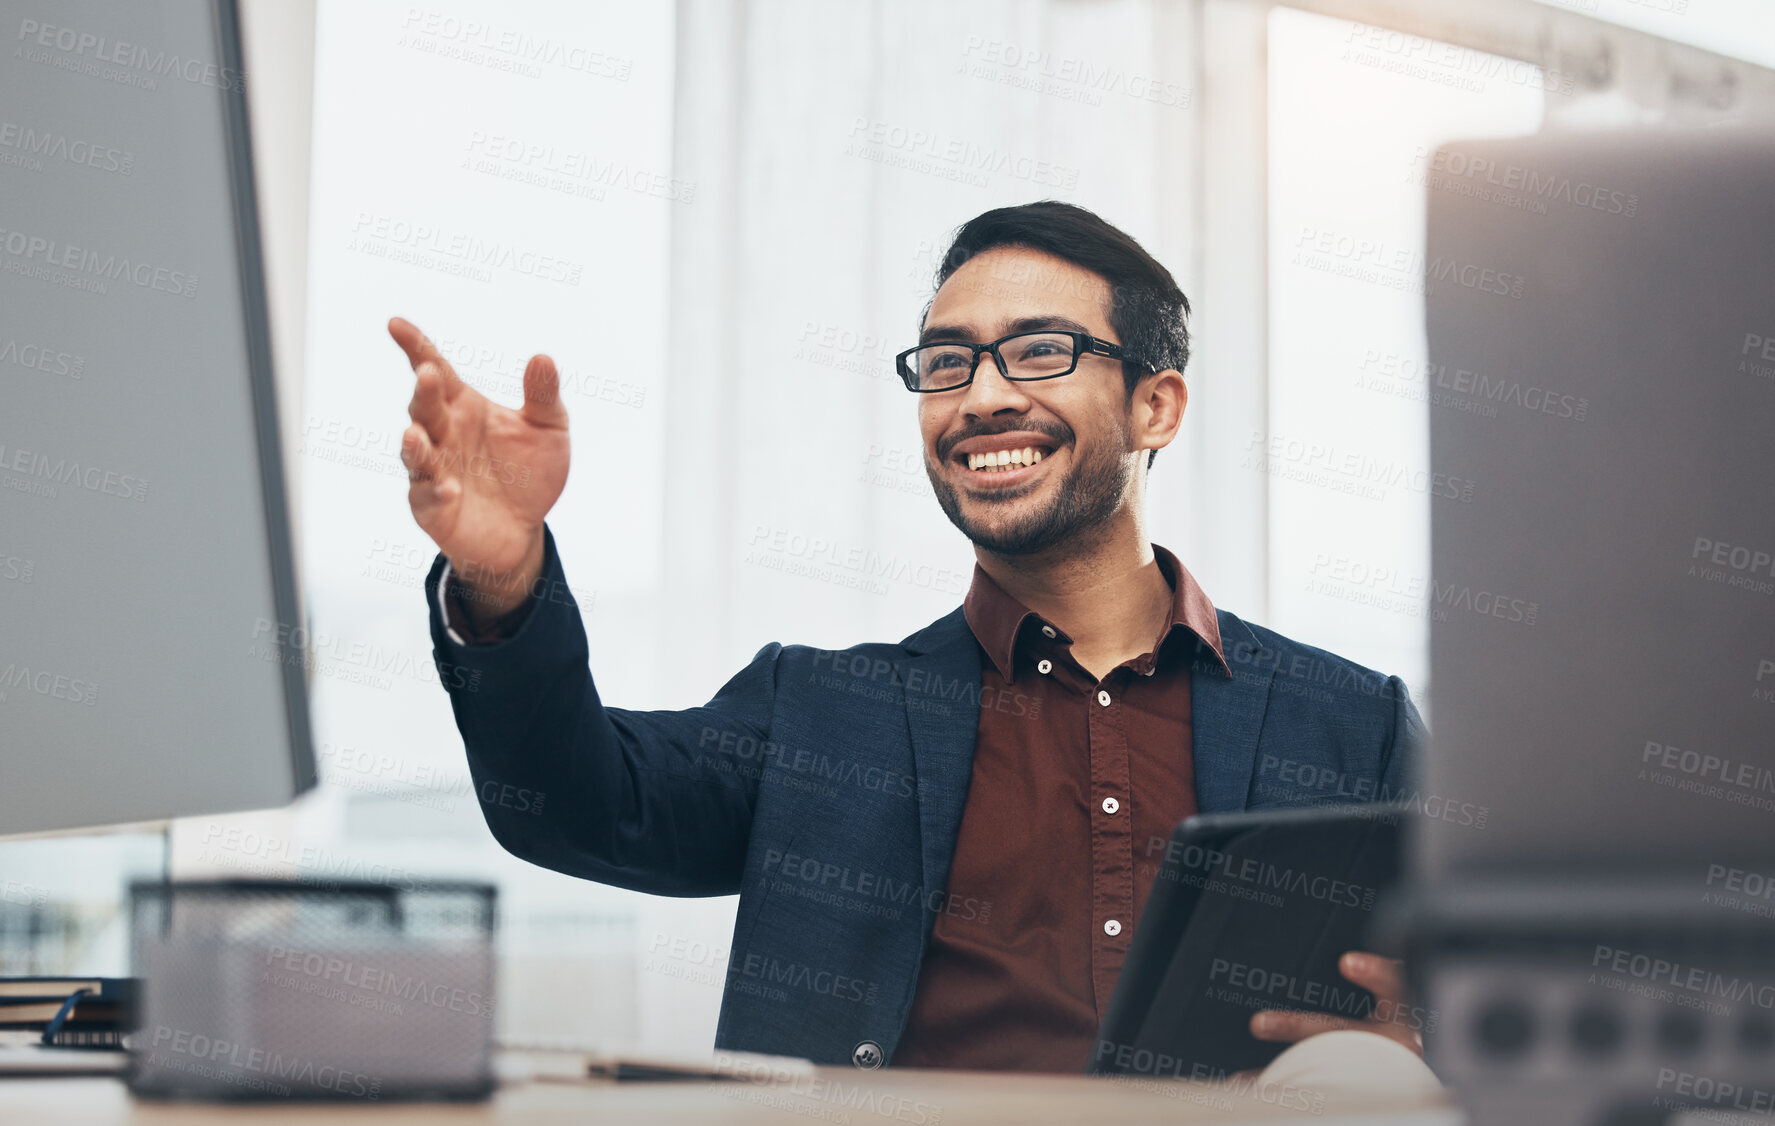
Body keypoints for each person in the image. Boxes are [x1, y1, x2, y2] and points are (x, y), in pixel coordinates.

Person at [390, 200, 1427, 1072]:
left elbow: (1503, 993)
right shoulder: (816, 713)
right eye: (944, 364)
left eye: (1036, 352)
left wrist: (1428, 1047)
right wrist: (503, 573)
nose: (979, 398)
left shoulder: (1350, 725)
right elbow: (568, 805)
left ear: (1154, 405)